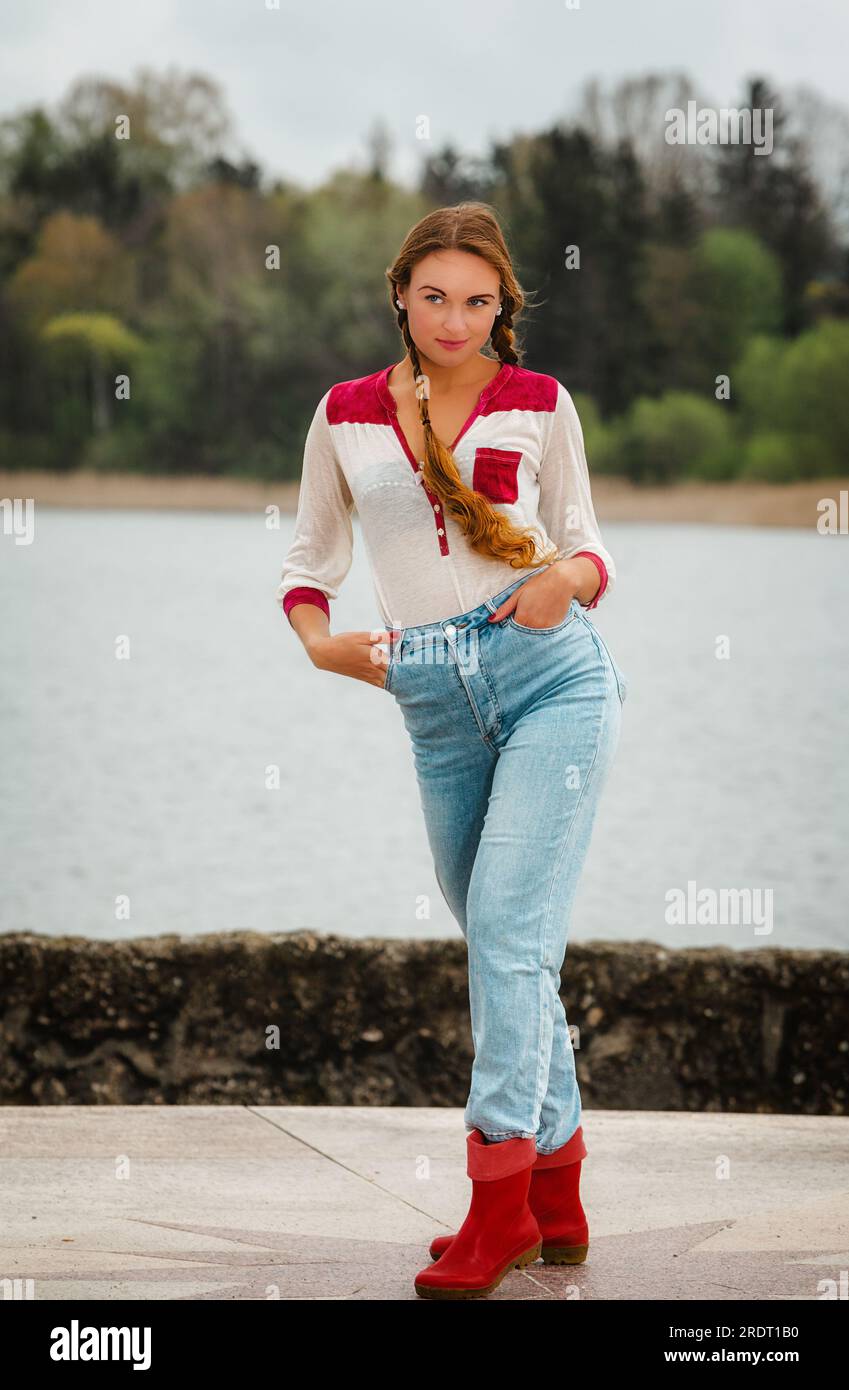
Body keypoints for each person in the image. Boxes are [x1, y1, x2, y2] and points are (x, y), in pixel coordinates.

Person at [276, 202, 627, 1300]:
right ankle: (555, 1200)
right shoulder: (344, 415)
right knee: (504, 940)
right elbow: (309, 554)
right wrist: (322, 647)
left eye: (478, 300)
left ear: (502, 307)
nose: (454, 318)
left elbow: (589, 546)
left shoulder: (540, 405)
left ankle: (494, 1204)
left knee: (508, 941)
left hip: (553, 678)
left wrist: (560, 585)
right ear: (400, 293)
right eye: (435, 295)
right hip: (425, 689)